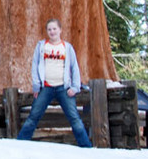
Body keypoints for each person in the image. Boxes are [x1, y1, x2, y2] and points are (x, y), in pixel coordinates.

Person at [16, 18, 93, 148]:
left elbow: (74, 67)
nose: (52, 32)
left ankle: (86, 147)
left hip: (64, 88)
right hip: (45, 87)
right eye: (49, 29)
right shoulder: (41, 46)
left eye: (54, 29)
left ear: (60, 30)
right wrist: (36, 85)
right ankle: (20, 144)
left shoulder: (67, 47)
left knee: (74, 118)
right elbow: (35, 66)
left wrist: (75, 87)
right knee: (33, 116)